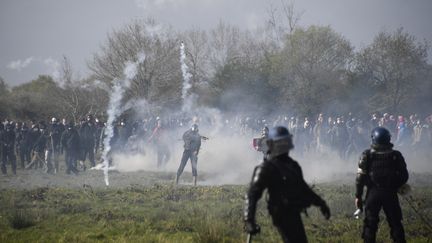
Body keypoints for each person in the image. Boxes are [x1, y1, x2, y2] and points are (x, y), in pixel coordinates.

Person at [244, 126, 331, 243]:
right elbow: (252, 195)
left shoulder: (293, 165)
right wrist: (249, 221)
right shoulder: (266, 167)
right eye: (281, 143)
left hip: (295, 211)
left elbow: (303, 188)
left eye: (286, 142)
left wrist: (320, 203)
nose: (284, 146)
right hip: (280, 213)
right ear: (273, 144)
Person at [355, 127, 409, 243]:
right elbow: (404, 176)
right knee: (395, 224)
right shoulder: (396, 155)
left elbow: (360, 178)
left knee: (370, 224)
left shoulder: (367, 155)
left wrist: (358, 196)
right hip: (390, 193)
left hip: (373, 194)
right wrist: (395, 185)